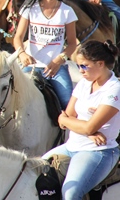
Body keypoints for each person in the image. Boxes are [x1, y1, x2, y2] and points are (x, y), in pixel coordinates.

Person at [42, 39, 120, 200]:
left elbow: (71, 121)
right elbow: (64, 118)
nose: (80, 70)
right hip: (71, 146)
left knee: (70, 194)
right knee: (36, 171)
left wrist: (86, 129)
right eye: (78, 66)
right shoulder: (84, 83)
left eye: (84, 66)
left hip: (98, 152)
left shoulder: (114, 90)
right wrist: (88, 131)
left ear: (100, 64)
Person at [13, 0, 77, 109]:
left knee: (68, 105)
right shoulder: (29, 9)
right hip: (32, 66)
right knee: (15, 101)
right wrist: (22, 54)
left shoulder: (67, 12)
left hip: (56, 68)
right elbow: (17, 37)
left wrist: (59, 60)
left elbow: (73, 44)